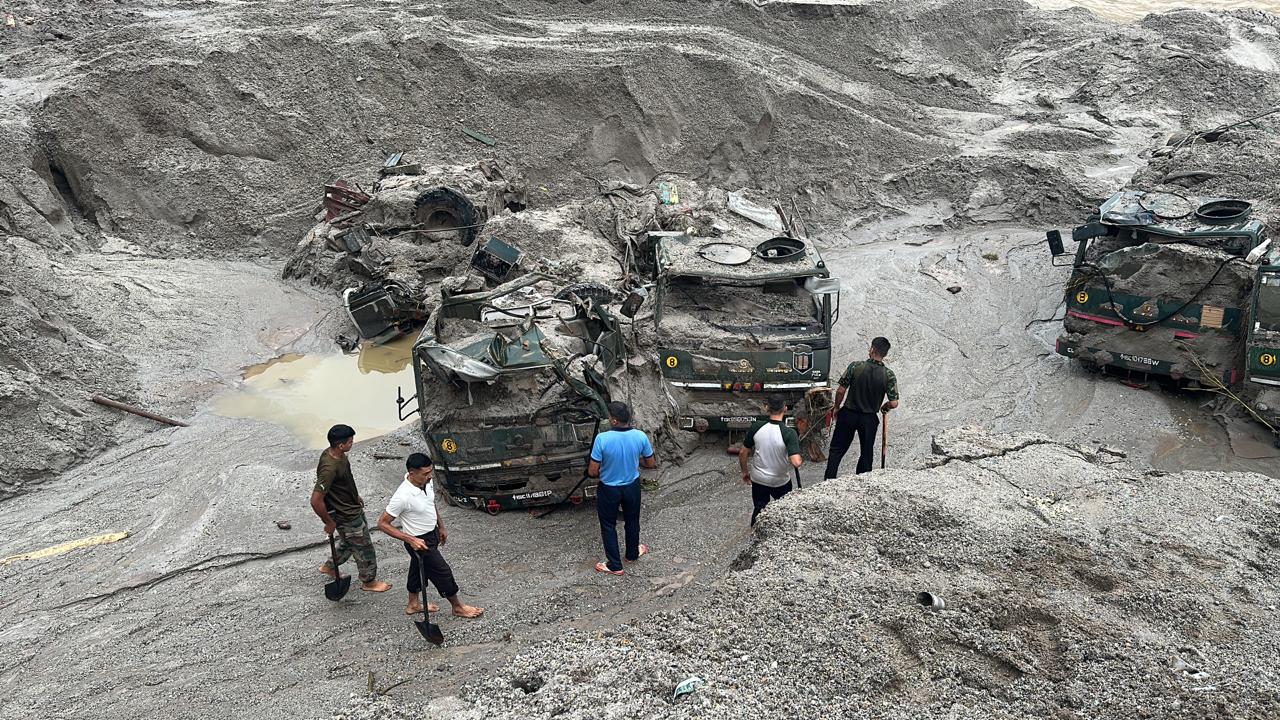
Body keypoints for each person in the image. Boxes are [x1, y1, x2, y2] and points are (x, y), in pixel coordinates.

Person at [377, 453, 484, 618]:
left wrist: (441, 526)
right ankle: (457, 606)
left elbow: (430, 502)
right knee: (443, 572)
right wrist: (410, 539)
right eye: (425, 473)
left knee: (418, 570)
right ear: (412, 473)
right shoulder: (402, 496)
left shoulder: (426, 482)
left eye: (430, 472)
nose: (430, 476)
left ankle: (413, 604)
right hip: (419, 541)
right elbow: (382, 523)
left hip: (432, 532)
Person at [310, 424, 391, 592]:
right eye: (350, 441)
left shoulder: (336, 454)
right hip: (346, 515)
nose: (353, 443)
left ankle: (330, 566)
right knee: (364, 548)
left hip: (350, 506)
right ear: (341, 445)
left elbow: (343, 481)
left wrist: (355, 495)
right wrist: (328, 522)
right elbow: (316, 500)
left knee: (349, 542)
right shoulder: (329, 468)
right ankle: (369, 582)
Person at [588, 401, 657, 575]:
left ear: (614, 421)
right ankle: (632, 555)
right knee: (632, 521)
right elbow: (651, 463)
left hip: (609, 488)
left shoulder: (602, 439)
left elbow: (593, 471)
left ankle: (614, 565)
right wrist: (634, 460)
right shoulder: (640, 436)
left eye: (610, 417)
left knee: (608, 525)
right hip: (632, 486)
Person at [824, 337, 900, 478]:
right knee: (866, 453)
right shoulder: (888, 375)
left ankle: (828, 481)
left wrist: (836, 407)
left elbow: (841, 390)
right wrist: (885, 406)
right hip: (869, 418)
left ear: (872, 349)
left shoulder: (855, 366)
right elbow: (894, 403)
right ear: (885, 354)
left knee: (837, 450)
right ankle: (862, 483)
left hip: (848, 414)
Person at [739, 395, 804, 526]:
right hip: (780, 481)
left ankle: (755, 533)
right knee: (785, 510)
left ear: (767, 408)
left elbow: (742, 452)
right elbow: (796, 462)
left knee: (759, 508)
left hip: (759, 479)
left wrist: (745, 472)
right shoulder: (789, 433)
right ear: (785, 409)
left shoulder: (756, 427)